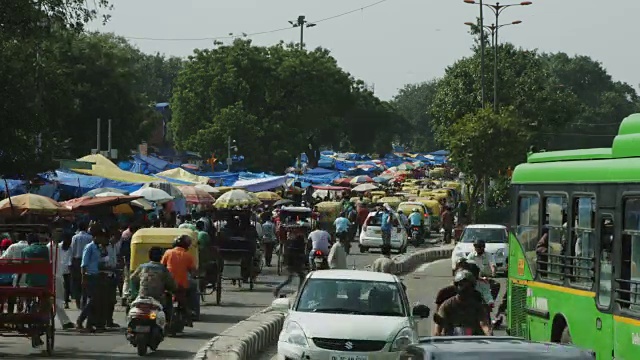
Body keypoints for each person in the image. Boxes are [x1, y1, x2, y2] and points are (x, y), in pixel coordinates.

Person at [433, 270, 491, 336]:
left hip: (474, 341)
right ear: (456, 286)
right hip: (451, 341)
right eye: (461, 285)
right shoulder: (447, 305)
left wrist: (489, 334)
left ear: (472, 288)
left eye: (468, 286)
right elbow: (438, 326)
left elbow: (484, 324)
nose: (464, 288)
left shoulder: (477, 306)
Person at [129, 247, 177, 318]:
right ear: (161, 257)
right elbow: (171, 284)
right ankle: (167, 322)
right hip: (158, 299)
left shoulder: (142, 267)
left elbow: (133, 278)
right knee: (168, 305)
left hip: (142, 296)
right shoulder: (163, 269)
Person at [76, 226, 108, 332]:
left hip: (96, 275)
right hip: (89, 276)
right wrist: (83, 277)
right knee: (91, 301)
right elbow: (83, 264)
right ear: (95, 237)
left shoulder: (98, 248)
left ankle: (89, 324)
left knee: (95, 302)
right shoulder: (89, 247)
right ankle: (80, 320)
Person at [161, 235, 197, 326]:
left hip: (167, 284)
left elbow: (162, 266)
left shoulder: (168, 253)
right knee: (193, 289)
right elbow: (193, 271)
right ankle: (190, 311)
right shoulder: (188, 256)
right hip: (181, 285)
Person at [47, 237, 75, 329]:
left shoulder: (57, 247)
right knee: (56, 301)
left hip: (57, 275)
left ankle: (63, 321)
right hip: (53, 276)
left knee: (56, 301)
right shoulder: (49, 248)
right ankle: (64, 321)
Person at [273, 233, 307, 298]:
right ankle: (299, 292)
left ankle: (277, 289)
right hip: (294, 264)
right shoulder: (299, 246)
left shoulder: (290, 243)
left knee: (290, 279)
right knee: (301, 277)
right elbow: (301, 255)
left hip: (288, 263)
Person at [70, 223, 93, 309]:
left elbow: (72, 250)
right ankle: (84, 302)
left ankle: (77, 301)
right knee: (85, 282)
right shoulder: (90, 237)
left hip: (77, 260)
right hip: (87, 261)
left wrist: (71, 261)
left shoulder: (75, 237)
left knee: (76, 281)